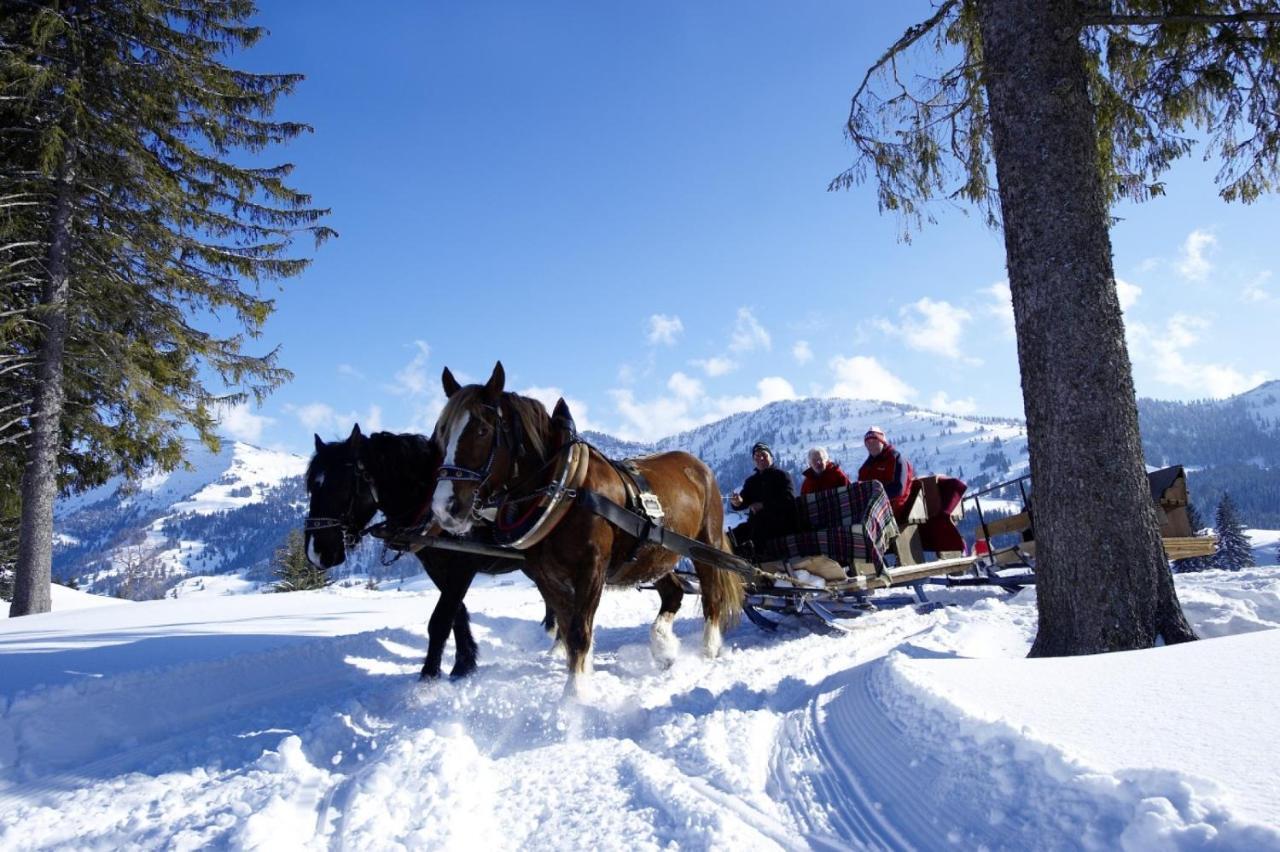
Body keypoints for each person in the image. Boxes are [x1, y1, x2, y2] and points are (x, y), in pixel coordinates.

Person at [728, 441, 798, 551]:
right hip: (754, 524)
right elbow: (743, 502)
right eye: (757, 456)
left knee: (752, 540)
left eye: (764, 455)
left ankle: (749, 559)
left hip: (779, 523)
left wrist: (763, 505)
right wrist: (737, 502)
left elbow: (789, 500)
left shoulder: (782, 476)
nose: (760, 458)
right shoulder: (751, 481)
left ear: (771, 456)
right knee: (728, 538)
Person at [857, 426, 915, 516]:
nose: (871, 445)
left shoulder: (896, 459)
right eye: (867, 443)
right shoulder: (865, 468)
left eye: (874, 441)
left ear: (882, 442)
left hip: (893, 506)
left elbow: (899, 489)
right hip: (873, 509)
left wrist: (874, 499)